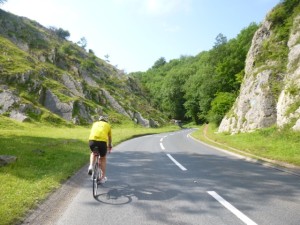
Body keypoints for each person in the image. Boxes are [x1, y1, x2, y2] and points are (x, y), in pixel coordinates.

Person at [88, 115, 112, 184]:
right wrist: (109, 145)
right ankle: (103, 177)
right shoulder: (108, 125)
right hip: (102, 142)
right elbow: (110, 138)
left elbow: (92, 133)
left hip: (92, 141)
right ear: (106, 121)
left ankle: (91, 166)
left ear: (99, 120)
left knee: (93, 153)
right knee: (103, 158)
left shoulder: (95, 123)